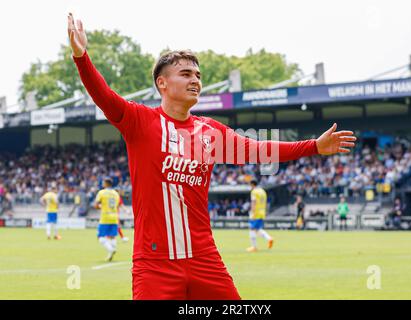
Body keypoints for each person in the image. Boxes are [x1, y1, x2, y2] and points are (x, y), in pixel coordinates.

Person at [68, 13, 357, 300]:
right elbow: (103, 95)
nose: (195, 80)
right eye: (185, 74)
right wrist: (81, 57)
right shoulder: (140, 121)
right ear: (162, 84)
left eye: (197, 75)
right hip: (155, 264)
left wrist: (313, 146)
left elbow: (258, 150)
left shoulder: (209, 132)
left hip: (204, 259)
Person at [94, 178, 121, 262]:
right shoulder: (116, 194)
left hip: (105, 217)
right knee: (112, 236)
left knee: (100, 237)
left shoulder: (102, 192)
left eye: (103, 183)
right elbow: (117, 206)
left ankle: (111, 249)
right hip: (114, 217)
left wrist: (100, 207)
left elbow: (96, 205)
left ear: (106, 184)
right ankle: (112, 251)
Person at [247, 180, 273, 252]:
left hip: (256, 213)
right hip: (262, 212)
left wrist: (252, 212)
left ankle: (254, 247)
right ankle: (269, 238)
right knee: (257, 229)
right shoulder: (262, 191)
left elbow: (254, 202)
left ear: (252, 184)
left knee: (252, 229)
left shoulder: (254, 192)